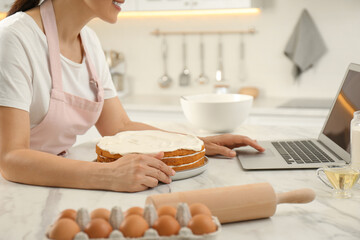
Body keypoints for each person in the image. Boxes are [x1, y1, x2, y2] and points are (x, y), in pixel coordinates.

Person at [0, 0, 264, 192]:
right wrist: (107, 175)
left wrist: (192, 144)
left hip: (56, 184)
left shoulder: (89, 41)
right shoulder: (13, 38)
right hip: (13, 192)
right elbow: (11, 158)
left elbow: (119, 127)